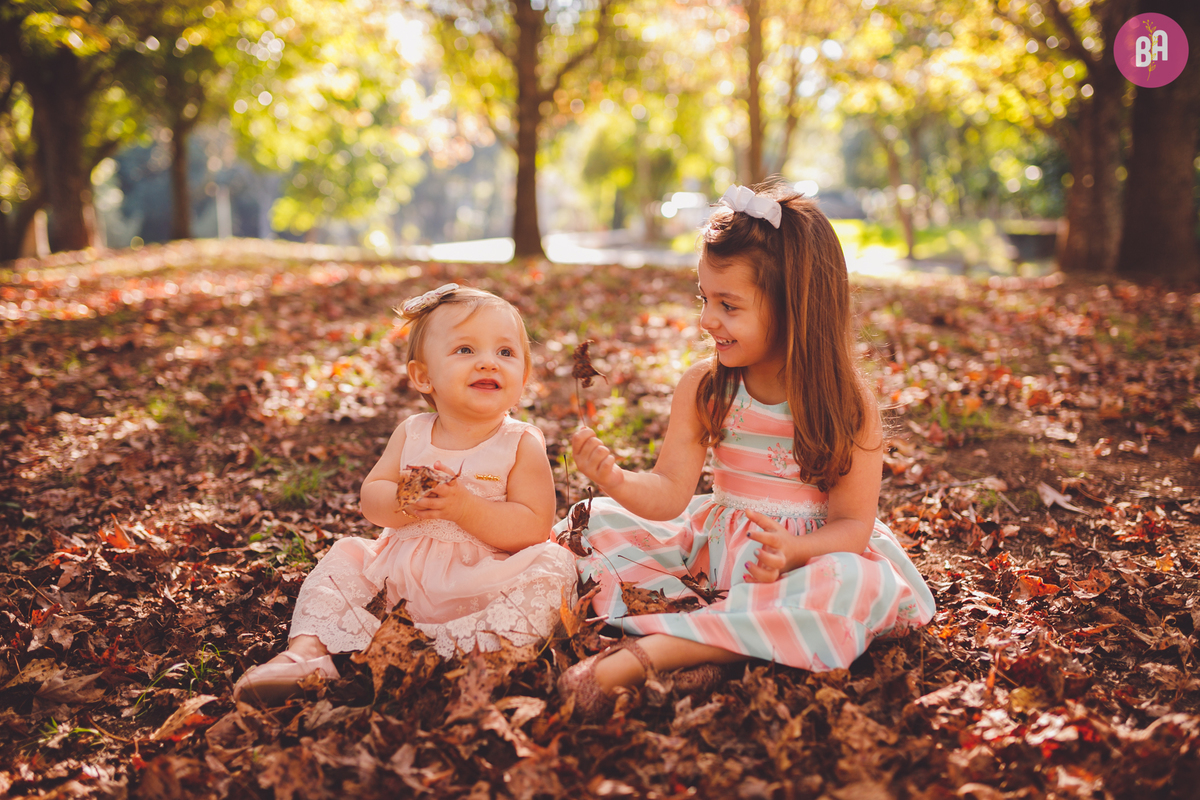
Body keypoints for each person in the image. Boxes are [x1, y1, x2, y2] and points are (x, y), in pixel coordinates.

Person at [556, 182, 936, 718]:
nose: (708, 320)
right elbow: (668, 493)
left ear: (795, 307)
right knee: (588, 524)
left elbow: (852, 526)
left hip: (805, 563)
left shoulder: (848, 406)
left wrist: (796, 552)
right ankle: (733, 646)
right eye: (704, 299)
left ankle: (663, 652)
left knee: (853, 582)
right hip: (715, 557)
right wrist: (617, 481)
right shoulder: (707, 387)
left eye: (728, 305)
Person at [235, 284, 578, 705]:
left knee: (554, 566)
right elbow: (372, 497)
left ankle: (478, 654)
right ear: (423, 376)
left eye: (506, 353)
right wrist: (402, 502)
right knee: (344, 557)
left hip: (483, 581)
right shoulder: (413, 431)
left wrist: (466, 509)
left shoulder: (520, 442)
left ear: (523, 378)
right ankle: (307, 655)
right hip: (398, 580)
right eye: (466, 350)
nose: (488, 361)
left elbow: (534, 526)